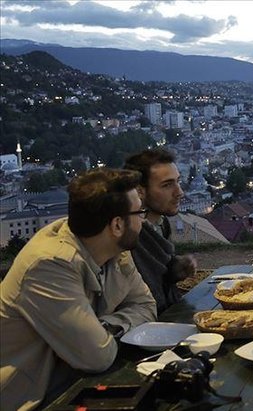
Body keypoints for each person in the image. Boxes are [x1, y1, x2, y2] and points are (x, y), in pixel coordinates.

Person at [0, 168, 157, 411]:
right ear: (117, 224)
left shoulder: (113, 250)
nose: (143, 220)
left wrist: (104, 327)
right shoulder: (50, 265)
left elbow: (146, 306)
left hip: (76, 387)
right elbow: (97, 357)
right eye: (140, 212)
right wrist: (109, 332)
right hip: (33, 400)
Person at [124, 148, 197, 313]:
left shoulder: (162, 224)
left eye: (178, 182)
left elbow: (159, 275)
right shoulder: (128, 236)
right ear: (139, 191)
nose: (179, 192)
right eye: (167, 185)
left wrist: (175, 269)